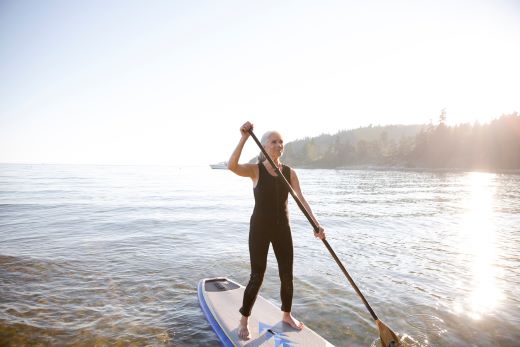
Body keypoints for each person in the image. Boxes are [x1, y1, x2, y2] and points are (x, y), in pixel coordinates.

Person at [227, 121, 326, 340]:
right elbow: (231, 166)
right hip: (260, 229)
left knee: (286, 275)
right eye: (274, 141)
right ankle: (244, 319)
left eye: (282, 141)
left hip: (283, 229)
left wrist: (316, 225)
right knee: (257, 275)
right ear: (263, 145)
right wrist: (243, 137)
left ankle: (286, 315)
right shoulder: (255, 170)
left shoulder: (289, 172)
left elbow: (301, 199)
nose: (279, 145)